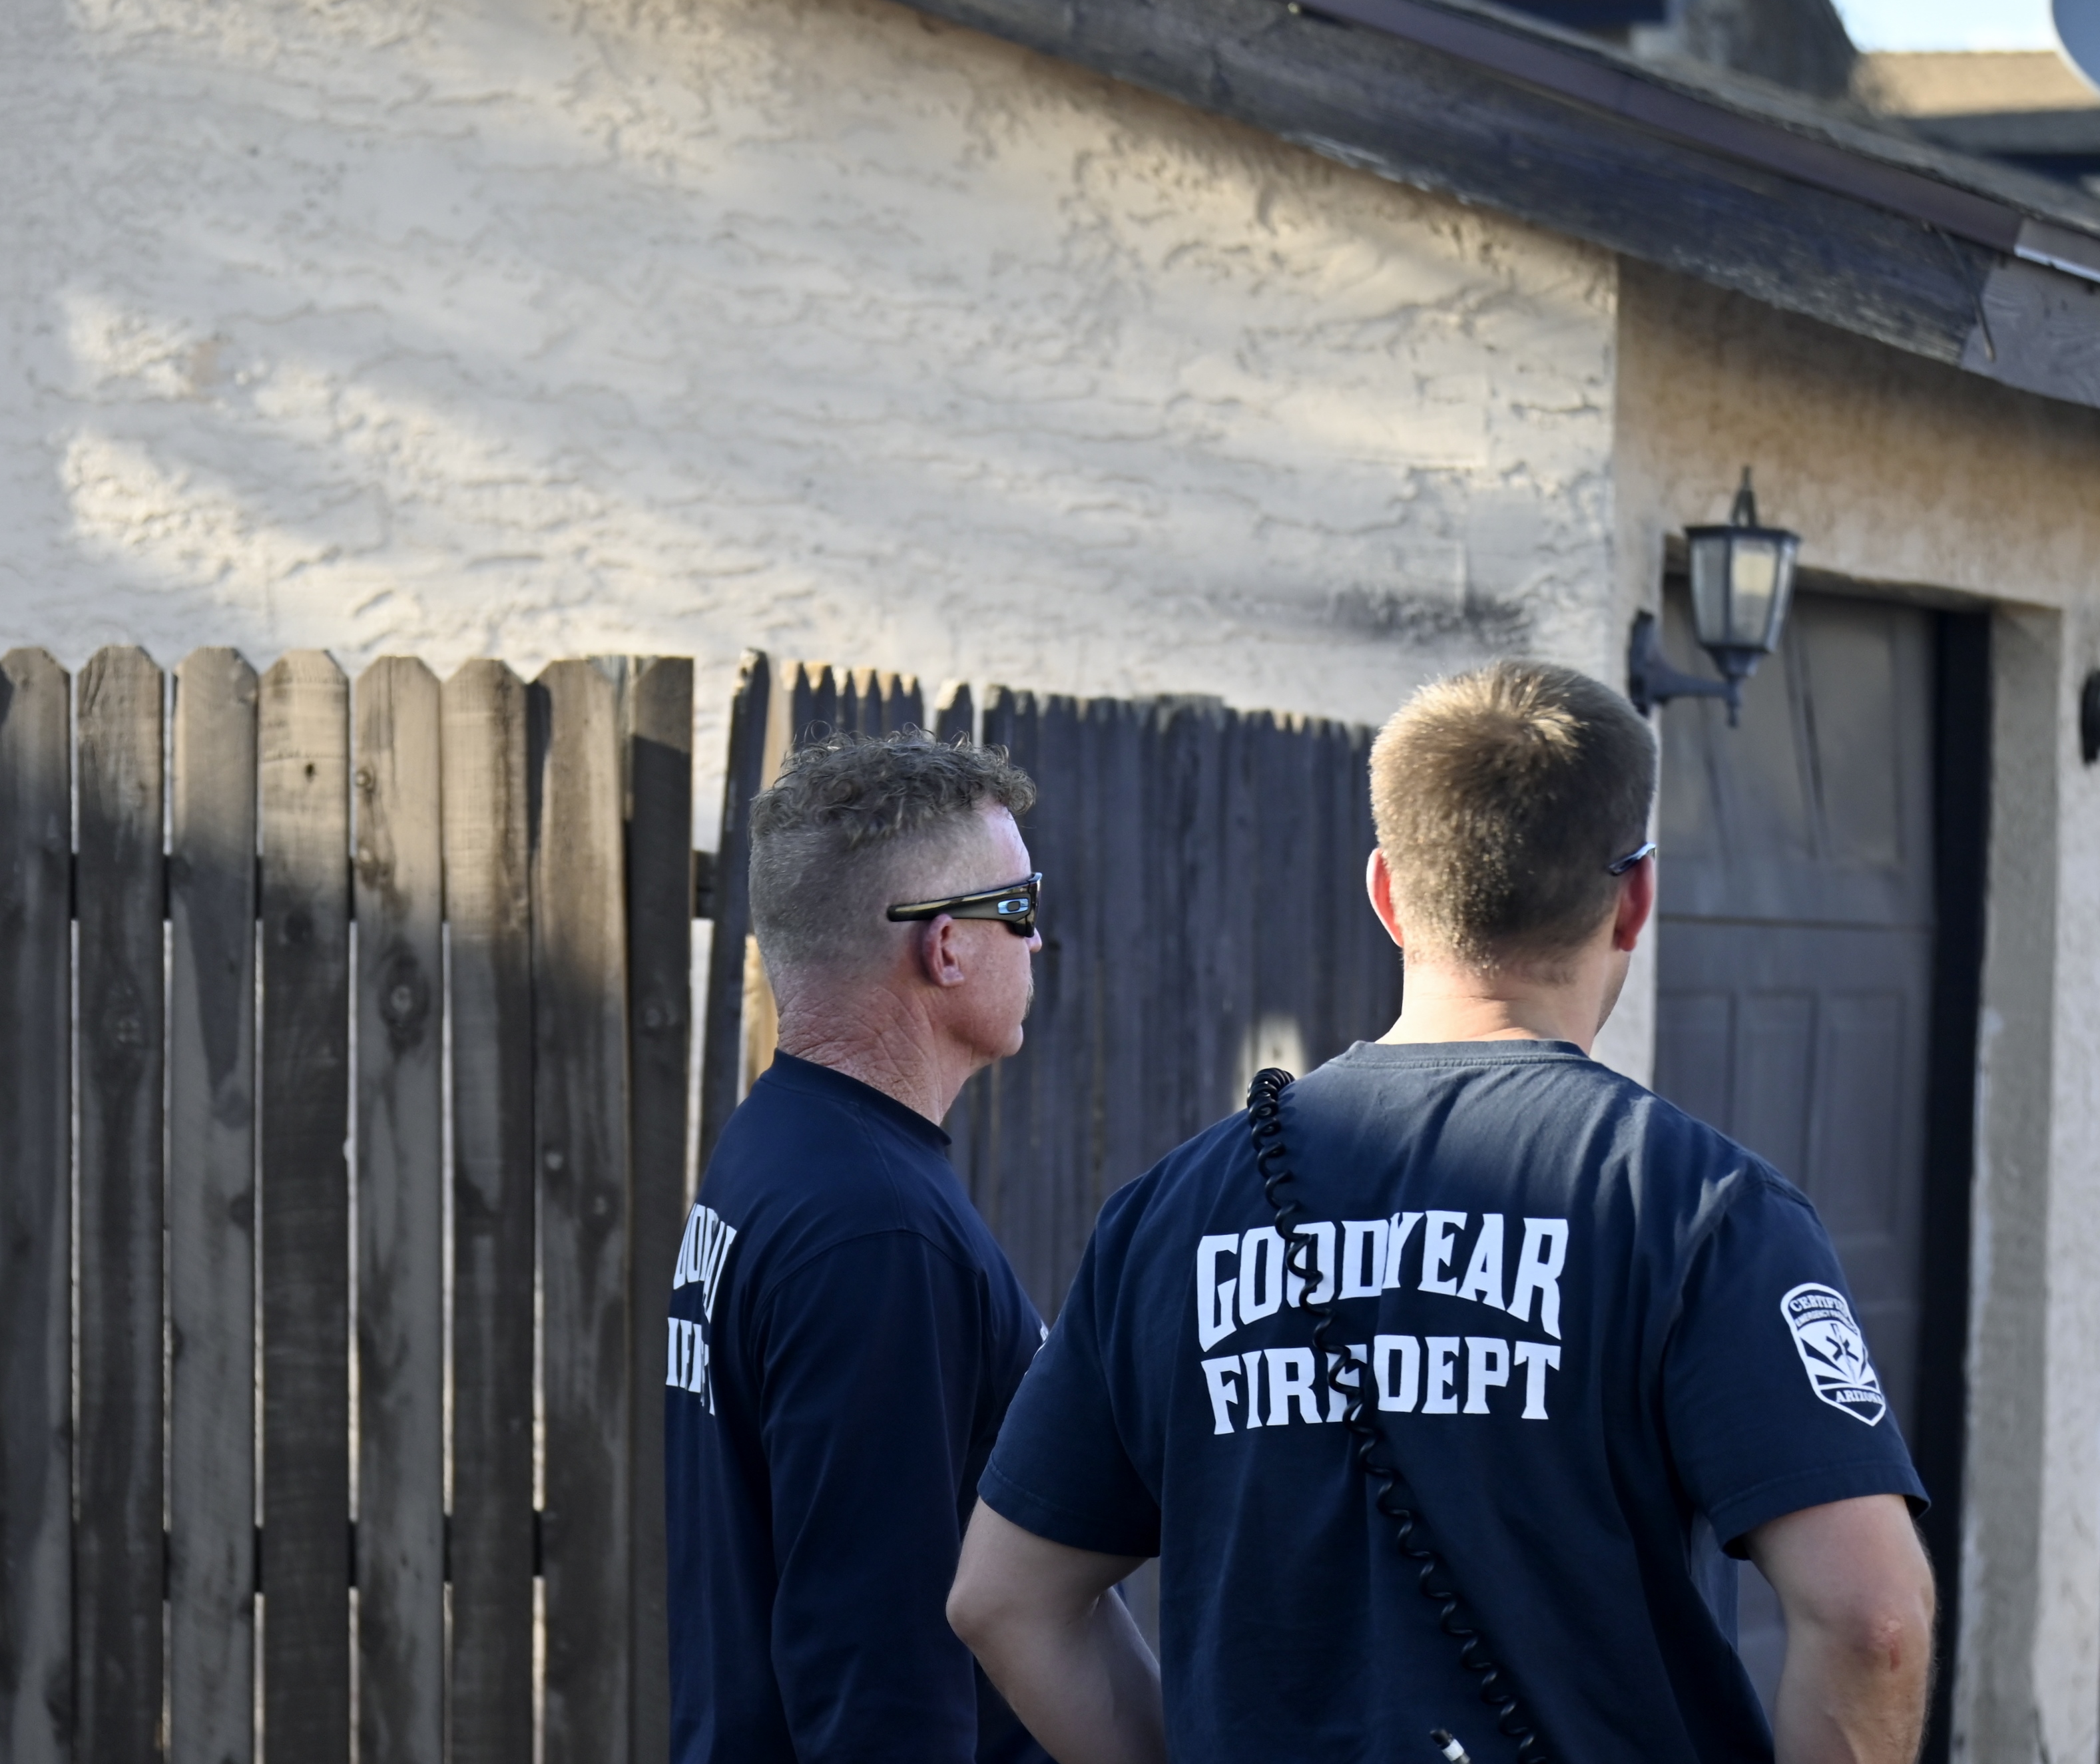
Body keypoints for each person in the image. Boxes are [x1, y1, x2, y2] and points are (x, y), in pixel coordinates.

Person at [947, 660, 1936, 1764]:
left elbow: (1003, 1599)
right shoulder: (1699, 1208)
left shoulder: (1170, 1215)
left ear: (1386, 893)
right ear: (1635, 901)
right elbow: (1873, 1623)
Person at [667, 730, 1053, 1764]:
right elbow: (876, 1671)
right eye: (1020, 906)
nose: (1036, 941)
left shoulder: (778, 1146)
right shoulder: (874, 1230)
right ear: (945, 947)